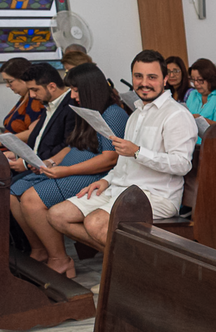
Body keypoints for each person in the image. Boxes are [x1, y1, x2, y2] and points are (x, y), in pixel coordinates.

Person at [47, 50, 198, 252]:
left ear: (165, 79)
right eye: (138, 76)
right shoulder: (136, 114)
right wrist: (105, 180)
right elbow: (124, 163)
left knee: (95, 223)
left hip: (156, 196)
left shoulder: (176, 115)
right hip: (121, 189)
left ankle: (127, 273)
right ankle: (124, 263)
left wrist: (137, 151)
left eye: (152, 77)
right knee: (57, 215)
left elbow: (182, 165)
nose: (144, 82)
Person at [8, 63, 128, 278]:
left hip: (94, 175)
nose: (72, 96)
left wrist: (67, 171)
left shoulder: (113, 114)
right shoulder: (86, 111)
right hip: (71, 169)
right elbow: (73, 145)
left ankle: (60, 259)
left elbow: (110, 159)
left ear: (90, 89)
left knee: (32, 200)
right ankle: (40, 250)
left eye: (75, 90)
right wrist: (50, 162)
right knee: (14, 191)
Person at [7, 63, 76, 174]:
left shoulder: (71, 106)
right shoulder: (49, 101)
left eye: (35, 90)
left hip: (51, 168)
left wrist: (26, 163)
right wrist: (17, 155)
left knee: (6, 188)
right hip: (34, 164)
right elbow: (39, 139)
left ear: (52, 87)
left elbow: (67, 145)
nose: (32, 95)